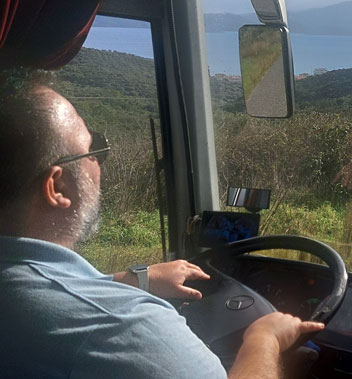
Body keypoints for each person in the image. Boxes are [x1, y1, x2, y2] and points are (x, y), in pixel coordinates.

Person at [0, 72, 323, 378]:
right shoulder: (123, 324)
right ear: (57, 188)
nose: (98, 162)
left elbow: (55, 290)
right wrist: (265, 338)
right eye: (91, 150)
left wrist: (132, 280)